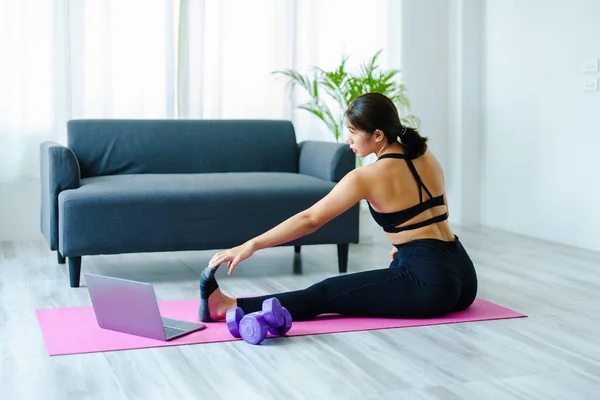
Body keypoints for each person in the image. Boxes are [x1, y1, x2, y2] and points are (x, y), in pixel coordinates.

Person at [198, 92, 478, 323]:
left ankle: (227, 306)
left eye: (354, 132)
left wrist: (251, 245)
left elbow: (310, 220)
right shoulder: (424, 155)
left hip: (431, 284)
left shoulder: (366, 177)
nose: (348, 139)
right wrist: (410, 246)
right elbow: (440, 212)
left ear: (378, 135)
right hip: (463, 274)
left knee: (327, 291)